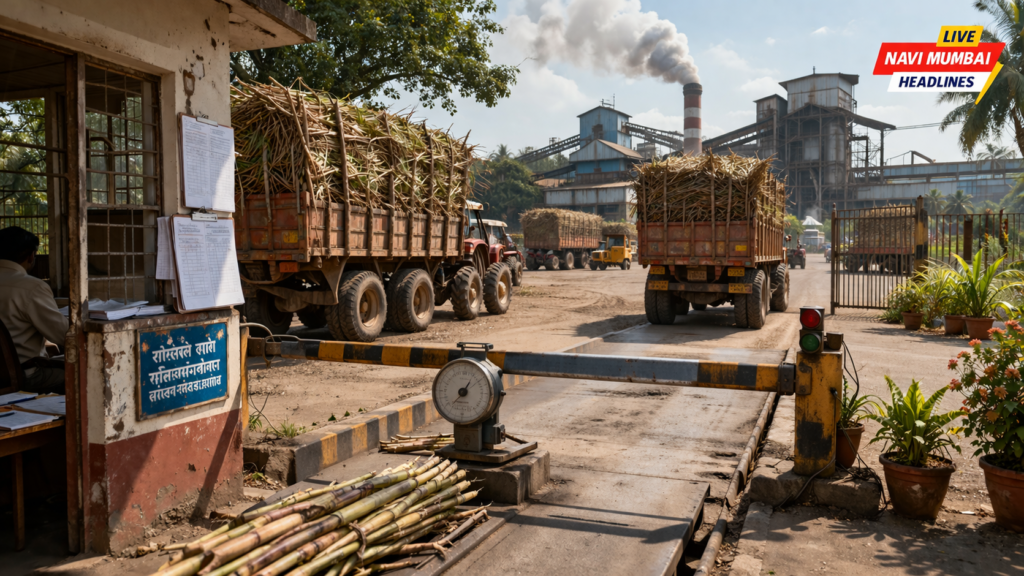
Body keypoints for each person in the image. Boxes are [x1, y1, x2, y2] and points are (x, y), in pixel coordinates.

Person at [0, 226, 67, 394]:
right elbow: (65, 335)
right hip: (24, 375)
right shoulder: (32, 287)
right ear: (31, 256)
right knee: (93, 373)